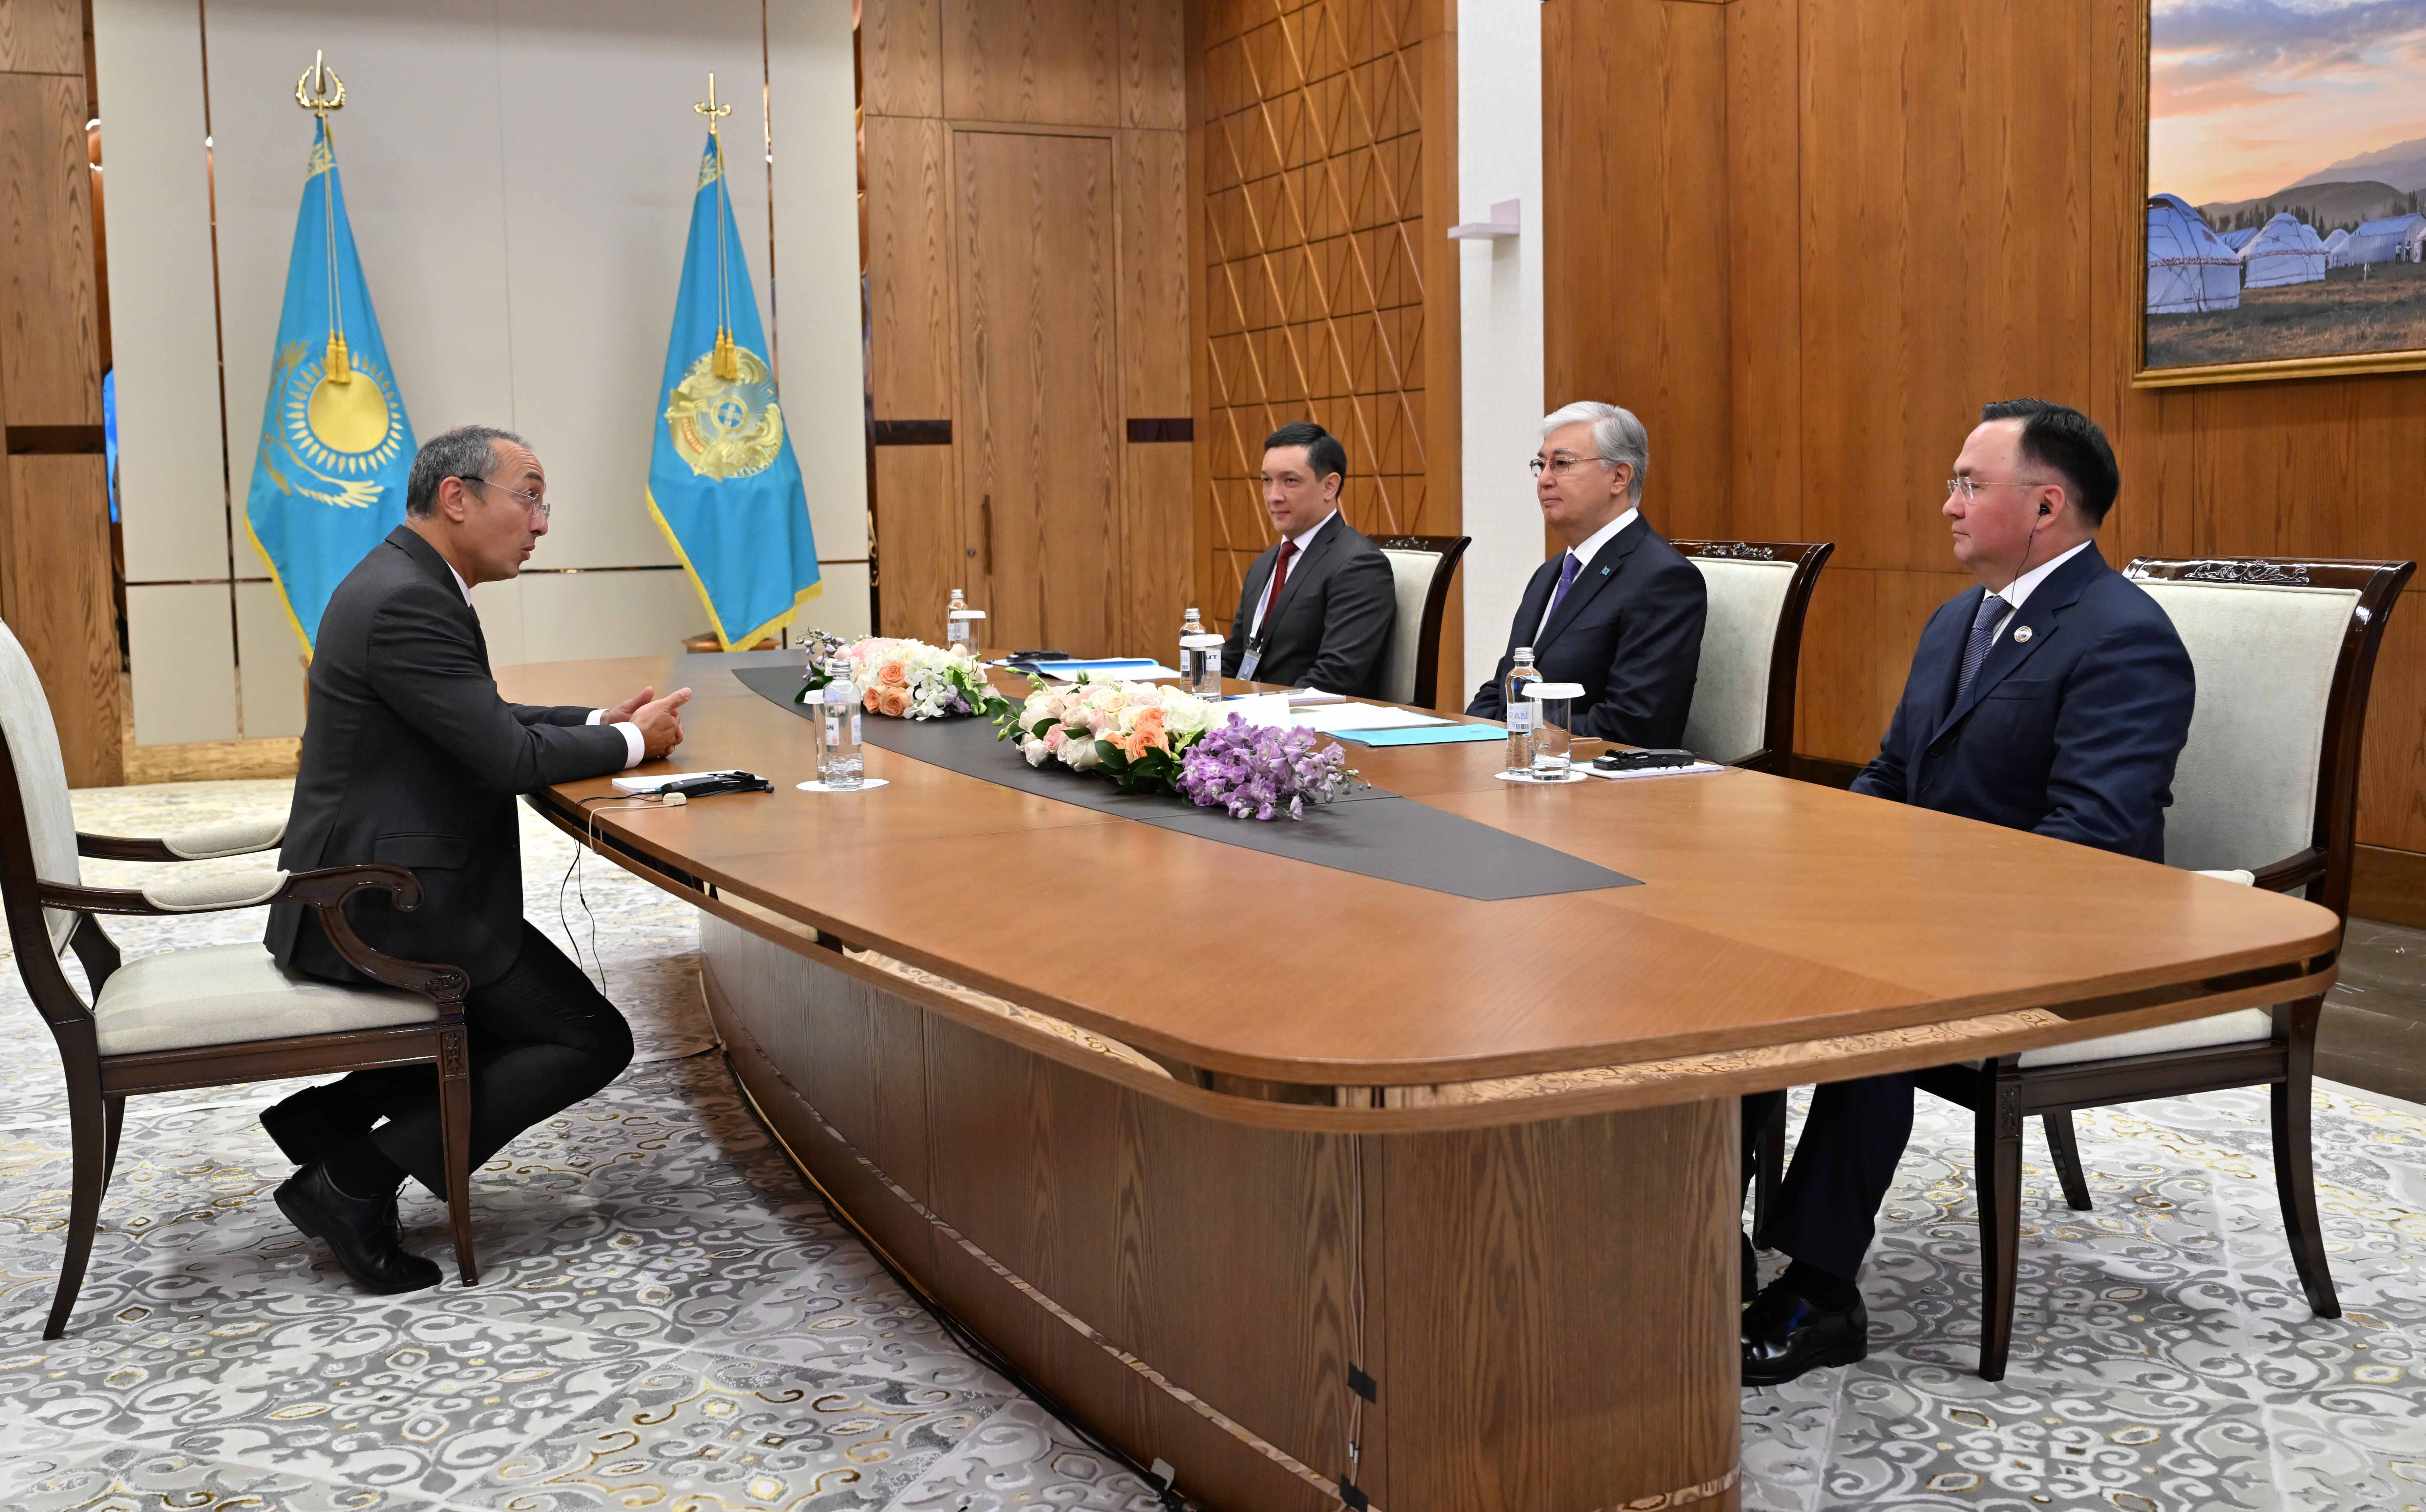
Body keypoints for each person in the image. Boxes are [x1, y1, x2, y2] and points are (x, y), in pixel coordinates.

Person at [1740, 398, 2195, 1386]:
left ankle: (1820, 1290)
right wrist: (1825, 860)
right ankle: (1700, 1226)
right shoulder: (1958, 619)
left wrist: (1922, 904)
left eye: (1967, 484)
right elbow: (1891, 774)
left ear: (2045, 506)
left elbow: (2094, 842)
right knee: (1744, 950)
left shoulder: (2123, 636)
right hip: (1938, 910)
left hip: (2067, 926)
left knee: (1869, 991)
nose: (1946, 504)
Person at [259, 425, 694, 1295]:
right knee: (586, 1039)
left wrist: (597, 724)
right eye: (528, 497)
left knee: (513, 1024)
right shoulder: (407, 600)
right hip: (380, 901)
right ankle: (349, 1179)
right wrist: (631, 745)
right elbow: (504, 757)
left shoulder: (405, 579)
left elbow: (476, 716)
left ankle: (331, 1119)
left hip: (374, 882)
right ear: (456, 497)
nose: (541, 523)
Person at [1466, 402, 1706, 746]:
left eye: (1562, 464)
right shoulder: (1550, 572)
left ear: (1619, 477)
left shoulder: (1664, 579)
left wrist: (1517, 731)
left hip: (1593, 772)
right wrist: (1480, 731)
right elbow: (1501, 688)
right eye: (1541, 465)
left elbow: (1633, 725)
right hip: (1522, 762)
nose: (1544, 480)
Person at [1220, 422, 1397, 697]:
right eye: (1267, 481)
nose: (1273, 497)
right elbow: (1234, 659)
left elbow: (1335, 678)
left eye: (1290, 481)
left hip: (1308, 720)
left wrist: (1249, 710)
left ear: (1329, 486)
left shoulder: (1359, 565)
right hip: (1248, 713)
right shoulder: (1264, 564)